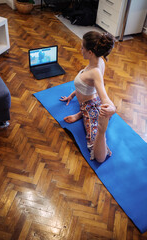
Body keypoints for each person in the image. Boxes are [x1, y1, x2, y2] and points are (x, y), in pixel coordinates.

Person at [60, 31, 116, 163]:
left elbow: (104, 97)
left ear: (90, 52)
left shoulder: (95, 71)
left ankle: (100, 128)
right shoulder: (99, 60)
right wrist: (73, 95)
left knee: (97, 154)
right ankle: (80, 114)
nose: (81, 50)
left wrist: (112, 108)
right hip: (90, 100)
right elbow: (87, 86)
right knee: (90, 108)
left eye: (82, 48)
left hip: (90, 106)